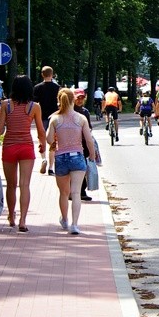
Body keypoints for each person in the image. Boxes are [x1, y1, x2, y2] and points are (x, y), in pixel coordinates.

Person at [0, 75, 46, 232]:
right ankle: (23, 220)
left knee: (11, 185)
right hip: (26, 147)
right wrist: (43, 145)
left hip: (9, 147)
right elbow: (41, 130)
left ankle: (12, 216)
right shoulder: (35, 107)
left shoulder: (5, 105)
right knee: (25, 185)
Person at [47, 88, 96, 235]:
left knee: (63, 192)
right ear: (73, 100)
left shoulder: (55, 119)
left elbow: (49, 140)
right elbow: (89, 139)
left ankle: (65, 220)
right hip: (77, 157)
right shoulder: (81, 118)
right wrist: (92, 155)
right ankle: (75, 224)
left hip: (61, 157)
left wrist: (55, 136)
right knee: (75, 193)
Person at [33, 66, 60, 174]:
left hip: (41, 117)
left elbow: (34, 103)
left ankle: (43, 159)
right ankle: (51, 168)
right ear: (52, 74)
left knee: (42, 139)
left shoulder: (37, 87)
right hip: (54, 117)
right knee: (53, 142)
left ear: (42, 75)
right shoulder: (57, 87)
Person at [73, 88, 93, 201]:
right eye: (78, 98)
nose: (80, 100)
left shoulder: (85, 112)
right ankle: (75, 191)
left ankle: (81, 191)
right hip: (71, 143)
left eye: (82, 98)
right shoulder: (69, 110)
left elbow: (89, 128)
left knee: (83, 168)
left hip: (83, 145)